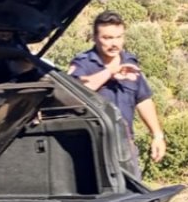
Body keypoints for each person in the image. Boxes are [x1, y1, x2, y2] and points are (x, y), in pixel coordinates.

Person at [68, 11, 166, 177]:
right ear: (95, 37)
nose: (114, 44)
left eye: (119, 37)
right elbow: (73, 91)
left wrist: (157, 135)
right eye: (107, 38)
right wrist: (110, 72)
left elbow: (143, 100)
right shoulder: (83, 63)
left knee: (133, 197)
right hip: (92, 148)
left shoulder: (130, 62)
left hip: (125, 147)